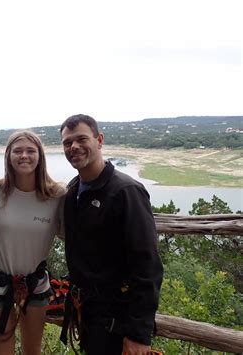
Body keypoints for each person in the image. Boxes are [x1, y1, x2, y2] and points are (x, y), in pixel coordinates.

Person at [59, 114, 164, 355]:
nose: (73, 147)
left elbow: (147, 266)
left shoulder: (126, 192)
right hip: (90, 314)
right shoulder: (74, 191)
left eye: (81, 139)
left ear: (99, 140)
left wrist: (138, 333)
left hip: (117, 320)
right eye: (67, 143)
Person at [0, 130, 65, 355]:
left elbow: (75, 234)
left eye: (31, 151)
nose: (24, 156)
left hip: (36, 285)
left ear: (40, 156)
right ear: (8, 156)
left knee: (32, 351)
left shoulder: (57, 195)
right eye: (17, 151)